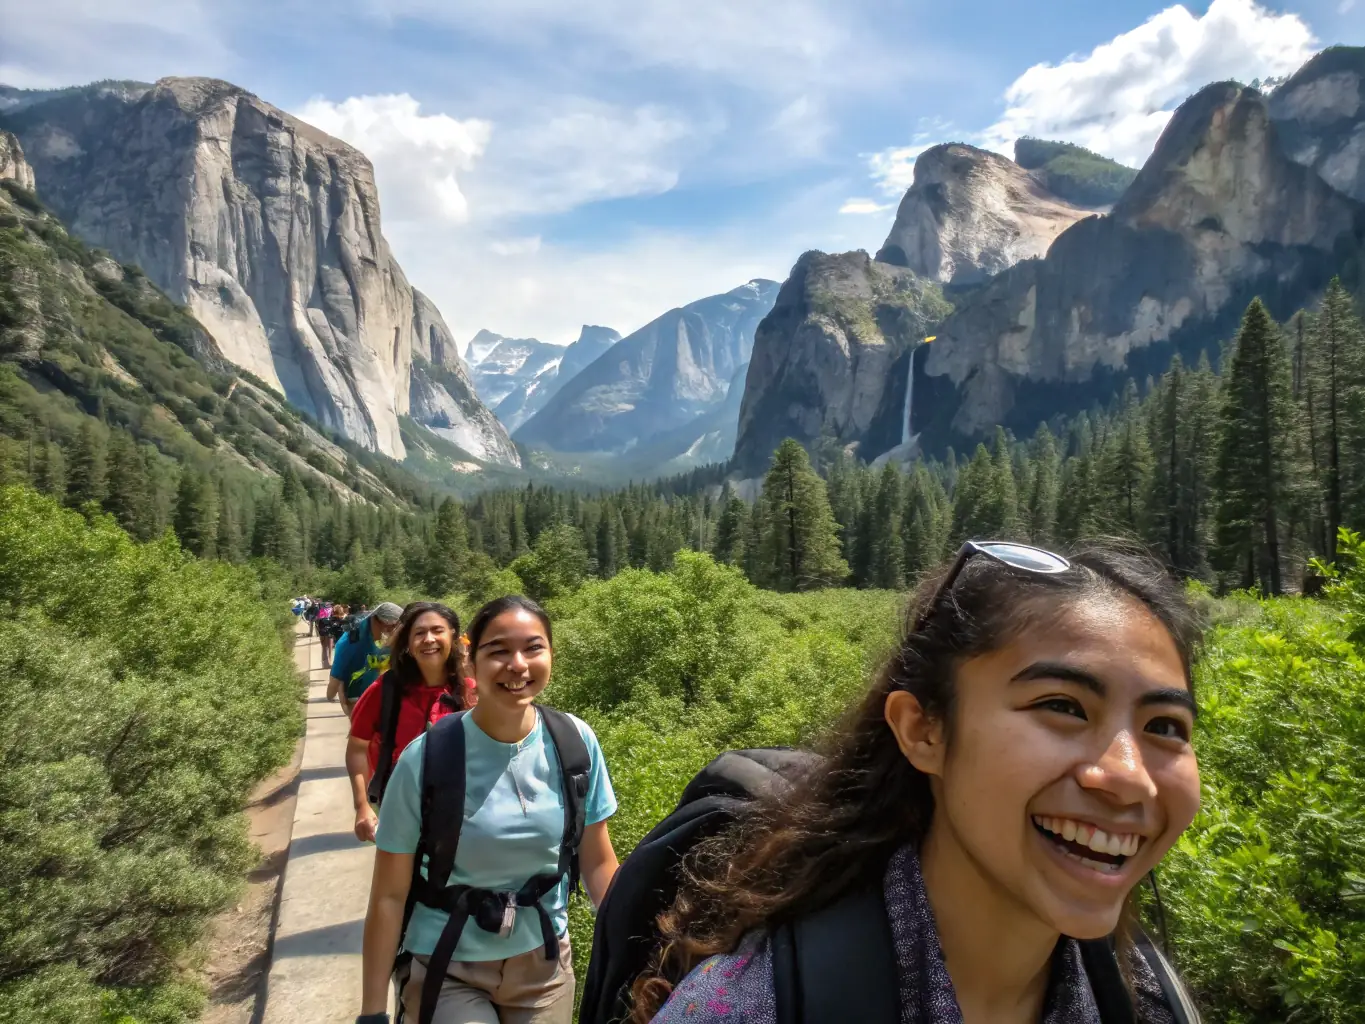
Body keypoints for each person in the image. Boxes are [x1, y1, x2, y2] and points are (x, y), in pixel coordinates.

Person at [635, 541, 1203, 1024]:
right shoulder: (749, 1006)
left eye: (1164, 726)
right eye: (1063, 706)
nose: (1130, 779)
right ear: (922, 729)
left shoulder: (1147, 1000)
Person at [358, 595, 620, 1024]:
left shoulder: (575, 743)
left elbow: (597, 862)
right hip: (447, 963)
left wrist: (644, 940)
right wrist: (372, 1012)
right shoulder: (426, 759)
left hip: (544, 964)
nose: (517, 664)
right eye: (498, 650)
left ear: (551, 655)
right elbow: (388, 895)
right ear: (471, 660)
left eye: (533, 648)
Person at [346, 602, 472, 843]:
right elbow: (357, 748)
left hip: (464, 809)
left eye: (437, 630)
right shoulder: (386, 690)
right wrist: (362, 806)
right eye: (419, 633)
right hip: (400, 807)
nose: (428, 639)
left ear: (453, 636)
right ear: (408, 643)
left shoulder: (471, 692)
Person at [328, 602, 403, 717]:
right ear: (383, 623)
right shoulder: (351, 641)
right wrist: (332, 695)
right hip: (356, 696)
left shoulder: (373, 632)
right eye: (393, 627)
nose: (393, 632)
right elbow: (336, 677)